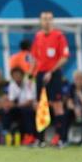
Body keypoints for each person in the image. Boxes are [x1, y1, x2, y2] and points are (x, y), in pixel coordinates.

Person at [30, 11, 70, 147]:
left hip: (54, 74)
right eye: (44, 19)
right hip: (40, 74)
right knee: (40, 106)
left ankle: (61, 139)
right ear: (40, 21)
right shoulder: (38, 36)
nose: (46, 22)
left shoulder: (59, 36)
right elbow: (35, 58)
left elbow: (64, 57)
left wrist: (51, 71)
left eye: (49, 19)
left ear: (52, 21)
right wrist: (30, 75)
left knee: (58, 106)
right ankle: (40, 140)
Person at [3, 67, 36, 145]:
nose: (17, 77)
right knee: (6, 112)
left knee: (27, 112)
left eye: (18, 75)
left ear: (22, 75)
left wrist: (16, 105)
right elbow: (11, 100)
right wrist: (9, 105)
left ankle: (29, 136)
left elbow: (30, 101)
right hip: (19, 107)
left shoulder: (29, 83)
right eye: (15, 75)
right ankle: (6, 133)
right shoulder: (12, 85)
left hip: (30, 107)